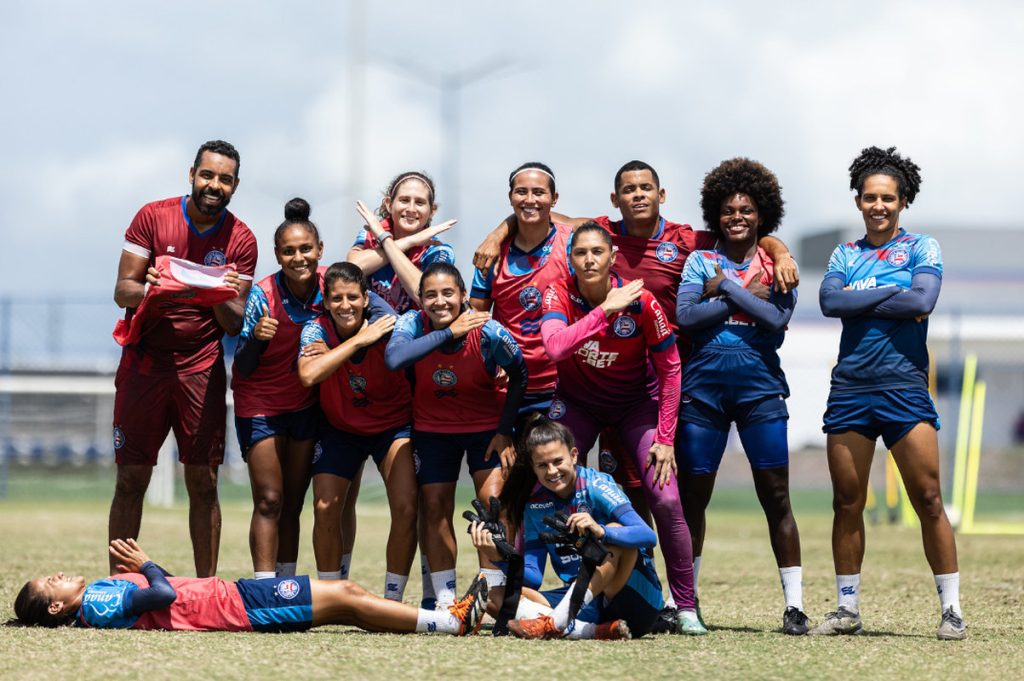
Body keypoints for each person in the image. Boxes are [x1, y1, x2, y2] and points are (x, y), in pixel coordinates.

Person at [813, 146, 965, 640]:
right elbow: (830, 301)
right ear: (859, 201)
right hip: (851, 390)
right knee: (847, 501)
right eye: (870, 198)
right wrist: (886, 294)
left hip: (904, 388)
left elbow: (923, 299)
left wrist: (861, 298)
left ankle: (952, 611)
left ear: (903, 202)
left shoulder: (923, 247)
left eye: (888, 198)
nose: (879, 206)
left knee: (928, 499)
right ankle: (846, 609)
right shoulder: (844, 253)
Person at [538, 223, 705, 634]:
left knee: (665, 499)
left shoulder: (642, 301)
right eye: (581, 253)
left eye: (598, 252)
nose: (589, 260)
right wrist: (605, 310)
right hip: (578, 405)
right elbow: (555, 347)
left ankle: (684, 605)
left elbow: (670, 370)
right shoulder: (559, 293)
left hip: (635, 406)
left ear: (613, 258)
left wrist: (665, 438)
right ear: (571, 259)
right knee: (538, 480)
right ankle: (524, 591)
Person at [110, 140, 257, 577]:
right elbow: (123, 291)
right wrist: (153, 287)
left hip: (201, 368)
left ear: (234, 186)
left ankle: (206, 588)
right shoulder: (152, 217)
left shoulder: (241, 239)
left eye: (225, 179)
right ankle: (121, 585)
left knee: (203, 482)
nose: (214, 185)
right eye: (207, 175)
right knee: (131, 479)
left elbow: (234, 323)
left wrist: (216, 290)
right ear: (191, 174)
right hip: (144, 365)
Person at [675, 158, 807, 634]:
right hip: (702, 394)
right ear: (716, 212)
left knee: (776, 497)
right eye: (729, 209)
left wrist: (725, 289)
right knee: (693, 500)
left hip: (760, 393)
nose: (737, 216)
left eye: (746, 209)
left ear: (762, 214)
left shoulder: (779, 263)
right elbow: (686, 317)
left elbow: (775, 321)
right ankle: (686, 605)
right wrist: (744, 293)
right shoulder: (699, 260)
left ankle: (794, 606)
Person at [385, 262, 528, 610]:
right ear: (420, 299)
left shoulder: (489, 331)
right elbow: (394, 358)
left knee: (493, 509)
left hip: (485, 431)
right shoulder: (411, 324)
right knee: (434, 508)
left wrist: (505, 430)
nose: (440, 301)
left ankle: (494, 597)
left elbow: (520, 374)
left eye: (448, 293)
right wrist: (448, 333)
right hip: (434, 432)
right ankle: (447, 600)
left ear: (464, 296)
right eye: (430, 295)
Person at [12, 539, 486, 636]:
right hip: (237, 608)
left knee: (350, 604)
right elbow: (162, 596)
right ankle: (448, 621)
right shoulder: (96, 597)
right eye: (51, 583)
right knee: (346, 595)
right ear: (56, 608)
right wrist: (147, 563)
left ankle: (439, 622)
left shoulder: (94, 605)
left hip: (232, 600)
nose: (58, 574)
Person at [470, 416, 664, 639]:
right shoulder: (534, 506)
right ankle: (593, 631)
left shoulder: (596, 484)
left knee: (613, 529)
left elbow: (648, 536)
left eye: (557, 461)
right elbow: (533, 577)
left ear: (573, 456)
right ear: (533, 468)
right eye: (542, 465)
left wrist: (602, 531)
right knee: (496, 597)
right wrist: (499, 556)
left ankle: (557, 621)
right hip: (582, 600)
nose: (552, 471)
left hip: (633, 601)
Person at [297, 262, 417, 602]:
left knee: (407, 507)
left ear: (366, 299)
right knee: (324, 507)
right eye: (336, 298)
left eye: (352, 297)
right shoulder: (315, 328)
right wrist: (356, 342)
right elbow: (308, 375)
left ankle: (392, 599)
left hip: (393, 427)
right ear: (327, 300)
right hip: (340, 428)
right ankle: (332, 594)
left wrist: (339, 352)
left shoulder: (390, 326)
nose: (344, 305)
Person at [230, 198, 323, 580]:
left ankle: (285, 585)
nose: (298, 257)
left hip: (305, 407)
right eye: (289, 251)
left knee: (294, 503)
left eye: (305, 249)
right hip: (260, 405)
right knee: (269, 500)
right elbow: (243, 366)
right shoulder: (261, 296)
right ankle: (264, 586)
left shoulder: (332, 287)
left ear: (320, 250)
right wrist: (256, 338)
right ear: (277, 255)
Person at [469, 162, 572, 416]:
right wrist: (490, 363)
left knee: (558, 455)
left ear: (554, 198)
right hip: (509, 383)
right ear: (510, 197)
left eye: (538, 192)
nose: (530, 199)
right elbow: (475, 319)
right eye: (521, 192)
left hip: (562, 384)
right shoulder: (491, 254)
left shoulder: (572, 244)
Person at [347, 171, 456, 315]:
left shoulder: (438, 250)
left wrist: (384, 239)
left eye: (420, 202)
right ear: (389, 204)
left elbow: (424, 295)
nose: (411, 209)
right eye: (404, 200)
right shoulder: (371, 234)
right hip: (371, 329)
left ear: (432, 211)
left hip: (415, 333)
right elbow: (350, 270)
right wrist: (410, 241)